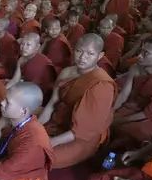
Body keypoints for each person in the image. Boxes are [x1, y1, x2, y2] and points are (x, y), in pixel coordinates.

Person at [38, 34, 117, 169]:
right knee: (18, 126)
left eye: (90, 54)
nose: (82, 58)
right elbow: (52, 104)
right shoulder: (67, 72)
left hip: (82, 137)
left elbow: (84, 130)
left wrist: (50, 142)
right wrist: (36, 128)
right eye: (79, 51)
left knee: (39, 156)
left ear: (99, 56)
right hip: (59, 119)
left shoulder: (101, 85)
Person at [110, 38, 152, 150]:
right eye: (141, 51)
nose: (139, 56)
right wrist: (112, 111)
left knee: (128, 131)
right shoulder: (135, 68)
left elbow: (149, 113)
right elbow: (124, 94)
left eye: (146, 53)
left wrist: (119, 121)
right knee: (105, 116)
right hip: (133, 105)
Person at [11, 32, 57, 103]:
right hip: (26, 85)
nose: (23, 47)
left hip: (39, 95)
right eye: (22, 43)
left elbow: (32, 88)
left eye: (28, 45)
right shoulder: (22, 59)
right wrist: (4, 90)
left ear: (37, 47)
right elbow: (15, 79)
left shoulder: (40, 62)